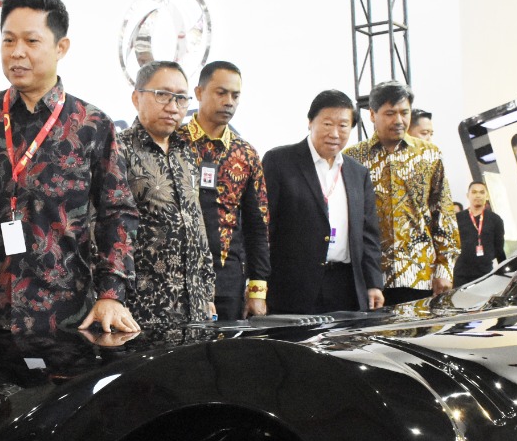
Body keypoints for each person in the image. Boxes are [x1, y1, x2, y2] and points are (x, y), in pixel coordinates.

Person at [0, 0, 140, 334]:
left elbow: (117, 213)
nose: (17, 52)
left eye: (31, 41)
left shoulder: (92, 124)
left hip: (66, 316)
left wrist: (111, 294)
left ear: (61, 47)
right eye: (8, 40)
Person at [263, 90, 384, 314]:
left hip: (345, 286)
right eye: (327, 124)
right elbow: (264, 228)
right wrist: (257, 286)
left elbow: (368, 236)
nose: (335, 133)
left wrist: (373, 283)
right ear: (310, 122)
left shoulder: (358, 173)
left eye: (343, 126)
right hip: (293, 288)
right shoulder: (279, 162)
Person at [116, 60, 215, 328]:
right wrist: (111, 296)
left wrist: (207, 290)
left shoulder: (187, 152)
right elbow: (102, 229)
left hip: (194, 307)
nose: (173, 107)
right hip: (141, 308)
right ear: (136, 97)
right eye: (162, 95)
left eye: (181, 98)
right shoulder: (118, 150)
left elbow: (196, 222)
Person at [346, 80, 461, 307]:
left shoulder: (429, 154)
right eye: (390, 113)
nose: (398, 120)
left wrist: (445, 268)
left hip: (421, 275)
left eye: (404, 113)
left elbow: (443, 213)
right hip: (370, 278)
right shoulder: (353, 158)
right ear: (372, 115)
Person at [181, 60, 271, 321]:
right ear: (199, 93)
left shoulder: (246, 153)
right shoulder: (174, 142)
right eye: (221, 93)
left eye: (235, 95)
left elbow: (258, 226)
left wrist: (257, 291)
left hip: (228, 279)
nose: (229, 102)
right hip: (177, 277)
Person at [453, 181, 507, 286]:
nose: (478, 195)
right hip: (461, 274)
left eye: (482, 192)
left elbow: (499, 249)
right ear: (467, 195)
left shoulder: (495, 219)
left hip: (485, 273)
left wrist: (504, 273)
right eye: (474, 192)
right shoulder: (457, 219)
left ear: (487, 196)